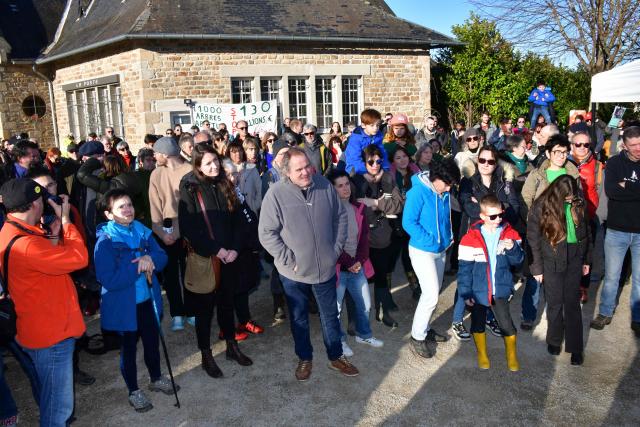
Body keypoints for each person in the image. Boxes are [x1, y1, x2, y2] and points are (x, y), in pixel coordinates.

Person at [259, 147, 357, 381]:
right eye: (299, 169)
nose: (305, 172)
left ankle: (335, 356)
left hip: (324, 267)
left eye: (308, 167)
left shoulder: (324, 185)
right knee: (299, 317)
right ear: (287, 172)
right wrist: (286, 259)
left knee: (330, 315)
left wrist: (334, 250)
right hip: (293, 273)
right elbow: (266, 233)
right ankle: (305, 357)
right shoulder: (275, 194)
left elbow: (340, 218)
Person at [0, 178, 89, 426]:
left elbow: (39, 262)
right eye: (41, 198)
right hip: (51, 335)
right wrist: (67, 223)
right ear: (34, 204)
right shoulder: (26, 245)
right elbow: (78, 258)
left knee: (50, 397)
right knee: (58, 408)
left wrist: (53, 234)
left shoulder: (11, 230)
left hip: (36, 328)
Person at [94, 189, 177, 412]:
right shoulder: (106, 241)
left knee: (152, 342)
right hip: (125, 307)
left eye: (129, 204)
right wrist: (137, 267)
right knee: (128, 350)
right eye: (121, 207)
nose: (128, 210)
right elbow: (108, 279)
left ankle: (156, 377)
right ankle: (133, 390)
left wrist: (151, 258)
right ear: (109, 214)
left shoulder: (141, 230)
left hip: (148, 300)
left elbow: (162, 256)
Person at [179, 145, 253, 378]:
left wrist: (234, 248)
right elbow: (189, 227)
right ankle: (206, 354)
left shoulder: (225, 182)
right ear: (198, 165)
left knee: (227, 304)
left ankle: (231, 345)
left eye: (216, 161)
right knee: (204, 310)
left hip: (230, 256)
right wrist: (216, 249)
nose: (214, 166)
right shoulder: (190, 187)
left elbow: (240, 219)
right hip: (207, 258)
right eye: (208, 163)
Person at [528, 175, 590, 365]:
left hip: (574, 258)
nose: (571, 200)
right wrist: (536, 268)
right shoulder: (541, 207)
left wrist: (586, 260)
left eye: (573, 196)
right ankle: (554, 340)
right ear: (558, 194)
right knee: (554, 303)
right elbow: (533, 240)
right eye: (567, 197)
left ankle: (576, 348)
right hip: (552, 259)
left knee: (572, 304)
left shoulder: (579, 202)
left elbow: (587, 233)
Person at [457, 194, 524, 371]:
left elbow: (518, 261)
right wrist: (465, 292)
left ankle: (511, 355)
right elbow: (464, 269)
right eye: (493, 216)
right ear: (482, 216)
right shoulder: (469, 238)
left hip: (500, 290)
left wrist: (512, 248)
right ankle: (482, 353)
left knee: (506, 324)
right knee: (478, 324)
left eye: (500, 215)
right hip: (478, 291)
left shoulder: (511, 234)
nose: (498, 219)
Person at [520, 134, 580, 330]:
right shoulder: (537, 175)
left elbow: (578, 202)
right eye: (557, 152)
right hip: (542, 233)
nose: (562, 156)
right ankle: (529, 315)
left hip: (566, 234)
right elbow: (526, 197)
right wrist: (535, 220)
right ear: (548, 153)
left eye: (565, 152)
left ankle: (557, 316)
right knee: (534, 276)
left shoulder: (573, 174)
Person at [403, 159, 461, 358]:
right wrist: (430, 240)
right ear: (436, 178)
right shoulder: (418, 192)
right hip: (422, 250)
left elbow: (444, 218)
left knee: (432, 293)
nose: (448, 188)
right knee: (431, 295)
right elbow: (408, 222)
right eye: (447, 184)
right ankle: (417, 336)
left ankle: (425, 329)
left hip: (440, 249)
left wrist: (447, 238)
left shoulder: (442, 190)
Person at [590, 126, 640, 336]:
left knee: (639, 278)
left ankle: (637, 318)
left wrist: (625, 186)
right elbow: (611, 191)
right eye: (634, 145)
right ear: (625, 146)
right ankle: (605, 312)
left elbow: (621, 191)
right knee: (611, 276)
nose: (639, 148)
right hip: (617, 230)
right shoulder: (614, 163)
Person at [328, 169, 384, 356]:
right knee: (335, 310)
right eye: (340, 186)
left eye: (347, 184)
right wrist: (349, 262)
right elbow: (330, 243)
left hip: (356, 267)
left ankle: (364, 334)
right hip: (337, 269)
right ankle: (340, 341)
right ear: (332, 189)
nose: (346, 189)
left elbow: (363, 239)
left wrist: (359, 260)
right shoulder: (328, 213)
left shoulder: (357, 209)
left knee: (365, 305)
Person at [351, 145, 404, 327]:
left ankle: (382, 312)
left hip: (383, 235)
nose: (375, 165)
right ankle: (354, 318)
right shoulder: (356, 181)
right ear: (364, 162)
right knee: (356, 276)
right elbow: (352, 205)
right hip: (360, 237)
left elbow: (397, 205)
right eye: (371, 161)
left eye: (378, 161)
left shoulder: (388, 178)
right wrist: (374, 204)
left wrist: (375, 203)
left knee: (381, 274)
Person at [148, 137, 192, 331]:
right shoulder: (156, 174)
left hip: (189, 231)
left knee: (190, 273)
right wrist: (160, 232)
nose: (154, 156)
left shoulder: (191, 171)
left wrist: (179, 231)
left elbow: (194, 207)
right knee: (171, 275)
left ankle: (192, 311)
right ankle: (177, 313)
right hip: (166, 232)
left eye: (156, 152)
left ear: (165, 154)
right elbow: (155, 207)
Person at [568, 131, 604, 303]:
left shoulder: (597, 166)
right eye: (578, 144)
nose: (582, 148)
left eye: (586, 144)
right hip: (567, 217)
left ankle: (583, 287)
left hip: (589, 217)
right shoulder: (565, 163)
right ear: (572, 145)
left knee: (586, 255)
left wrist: (599, 215)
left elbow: (601, 192)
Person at [261, 139, 291, 321]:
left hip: (294, 226)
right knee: (278, 266)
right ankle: (278, 301)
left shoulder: (293, 171)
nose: (285, 157)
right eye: (282, 154)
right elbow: (268, 204)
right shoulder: (270, 175)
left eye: (288, 153)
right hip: (278, 228)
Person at [344, 109, 390, 175]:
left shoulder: (378, 135)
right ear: (363, 125)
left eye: (377, 125)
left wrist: (384, 169)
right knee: (362, 182)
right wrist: (365, 173)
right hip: (354, 166)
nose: (375, 128)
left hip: (372, 164)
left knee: (387, 178)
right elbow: (355, 158)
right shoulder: (356, 138)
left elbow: (382, 152)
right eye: (372, 125)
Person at [226, 141, 262, 215]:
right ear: (229, 153)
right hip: (234, 213)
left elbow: (260, 189)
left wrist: (256, 205)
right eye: (234, 152)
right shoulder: (225, 171)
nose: (238, 154)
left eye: (240, 151)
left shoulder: (252, 168)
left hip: (251, 210)